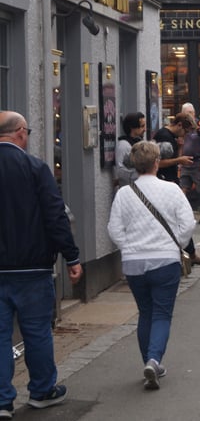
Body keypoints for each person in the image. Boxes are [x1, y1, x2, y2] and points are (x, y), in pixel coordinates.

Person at [0, 111, 82, 416]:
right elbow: (55, 216)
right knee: (36, 331)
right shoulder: (35, 168)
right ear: (21, 132)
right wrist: (71, 256)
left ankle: (2, 400)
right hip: (32, 267)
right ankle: (42, 390)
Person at [108, 141, 196, 390]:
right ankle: (154, 360)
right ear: (157, 162)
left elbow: (114, 229)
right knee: (161, 313)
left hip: (134, 262)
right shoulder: (172, 190)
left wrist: (129, 247)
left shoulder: (124, 194)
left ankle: (150, 361)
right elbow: (188, 224)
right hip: (165, 260)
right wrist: (175, 243)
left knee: (145, 312)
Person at [153, 113, 200, 266]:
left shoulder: (170, 136)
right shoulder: (164, 136)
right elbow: (158, 163)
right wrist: (180, 160)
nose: (185, 135)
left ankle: (189, 253)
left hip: (170, 181)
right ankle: (189, 254)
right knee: (179, 218)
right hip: (165, 182)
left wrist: (179, 148)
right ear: (179, 125)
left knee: (178, 218)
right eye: (185, 131)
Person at [115, 112, 146, 187]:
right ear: (132, 127)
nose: (145, 129)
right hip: (131, 188)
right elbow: (120, 170)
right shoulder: (123, 145)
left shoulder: (140, 142)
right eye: (142, 126)